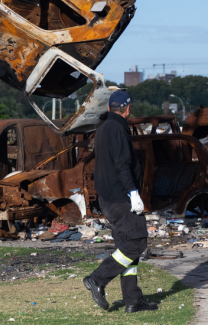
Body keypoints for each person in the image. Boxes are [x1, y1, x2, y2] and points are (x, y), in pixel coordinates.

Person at [84, 91, 157, 313]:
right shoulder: (117, 128)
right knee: (137, 242)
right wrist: (133, 193)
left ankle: (132, 299)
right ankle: (97, 279)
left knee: (126, 246)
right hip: (120, 197)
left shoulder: (104, 128)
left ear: (109, 108)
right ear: (127, 109)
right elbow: (122, 164)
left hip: (108, 197)